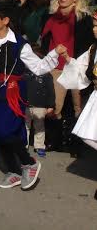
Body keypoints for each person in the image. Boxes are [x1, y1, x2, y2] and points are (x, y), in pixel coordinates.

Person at [0, 2, 61, 190]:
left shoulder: (20, 44)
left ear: (6, 20)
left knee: (6, 131)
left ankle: (29, 163)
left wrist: (54, 54)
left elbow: (38, 67)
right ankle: (14, 170)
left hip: (13, 90)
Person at [54, 12, 97, 199]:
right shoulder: (93, 49)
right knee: (89, 136)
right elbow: (81, 69)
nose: (94, 29)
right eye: (94, 25)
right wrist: (68, 58)